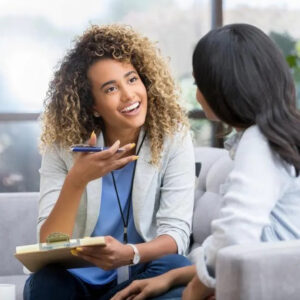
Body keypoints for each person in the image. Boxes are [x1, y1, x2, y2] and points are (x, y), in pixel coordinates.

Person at [111, 23, 300, 300]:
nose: (197, 94)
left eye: (199, 84)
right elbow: (256, 244)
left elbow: (234, 237)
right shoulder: (275, 136)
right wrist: (172, 277)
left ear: (224, 90)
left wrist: (193, 293)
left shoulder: (259, 143)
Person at [23, 24, 195, 300]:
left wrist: (130, 254)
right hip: (76, 282)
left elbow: (176, 236)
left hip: (139, 278)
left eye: (132, 79)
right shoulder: (63, 147)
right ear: (92, 105)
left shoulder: (173, 138)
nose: (129, 95)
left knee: (177, 266)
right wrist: (77, 180)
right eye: (111, 88)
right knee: (45, 282)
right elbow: (49, 245)